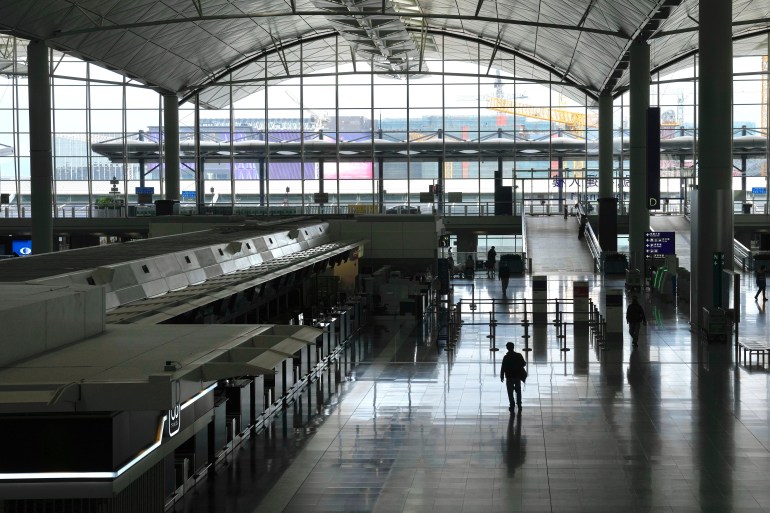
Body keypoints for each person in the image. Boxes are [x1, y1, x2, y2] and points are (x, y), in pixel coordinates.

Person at [500, 342, 527, 413]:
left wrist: (502, 376)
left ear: (507, 348)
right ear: (513, 347)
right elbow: (524, 364)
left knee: (510, 392)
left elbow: (503, 367)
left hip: (509, 377)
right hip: (517, 376)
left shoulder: (506, 357)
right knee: (518, 391)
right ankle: (519, 405)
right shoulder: (518, 355)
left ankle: (512, 405)